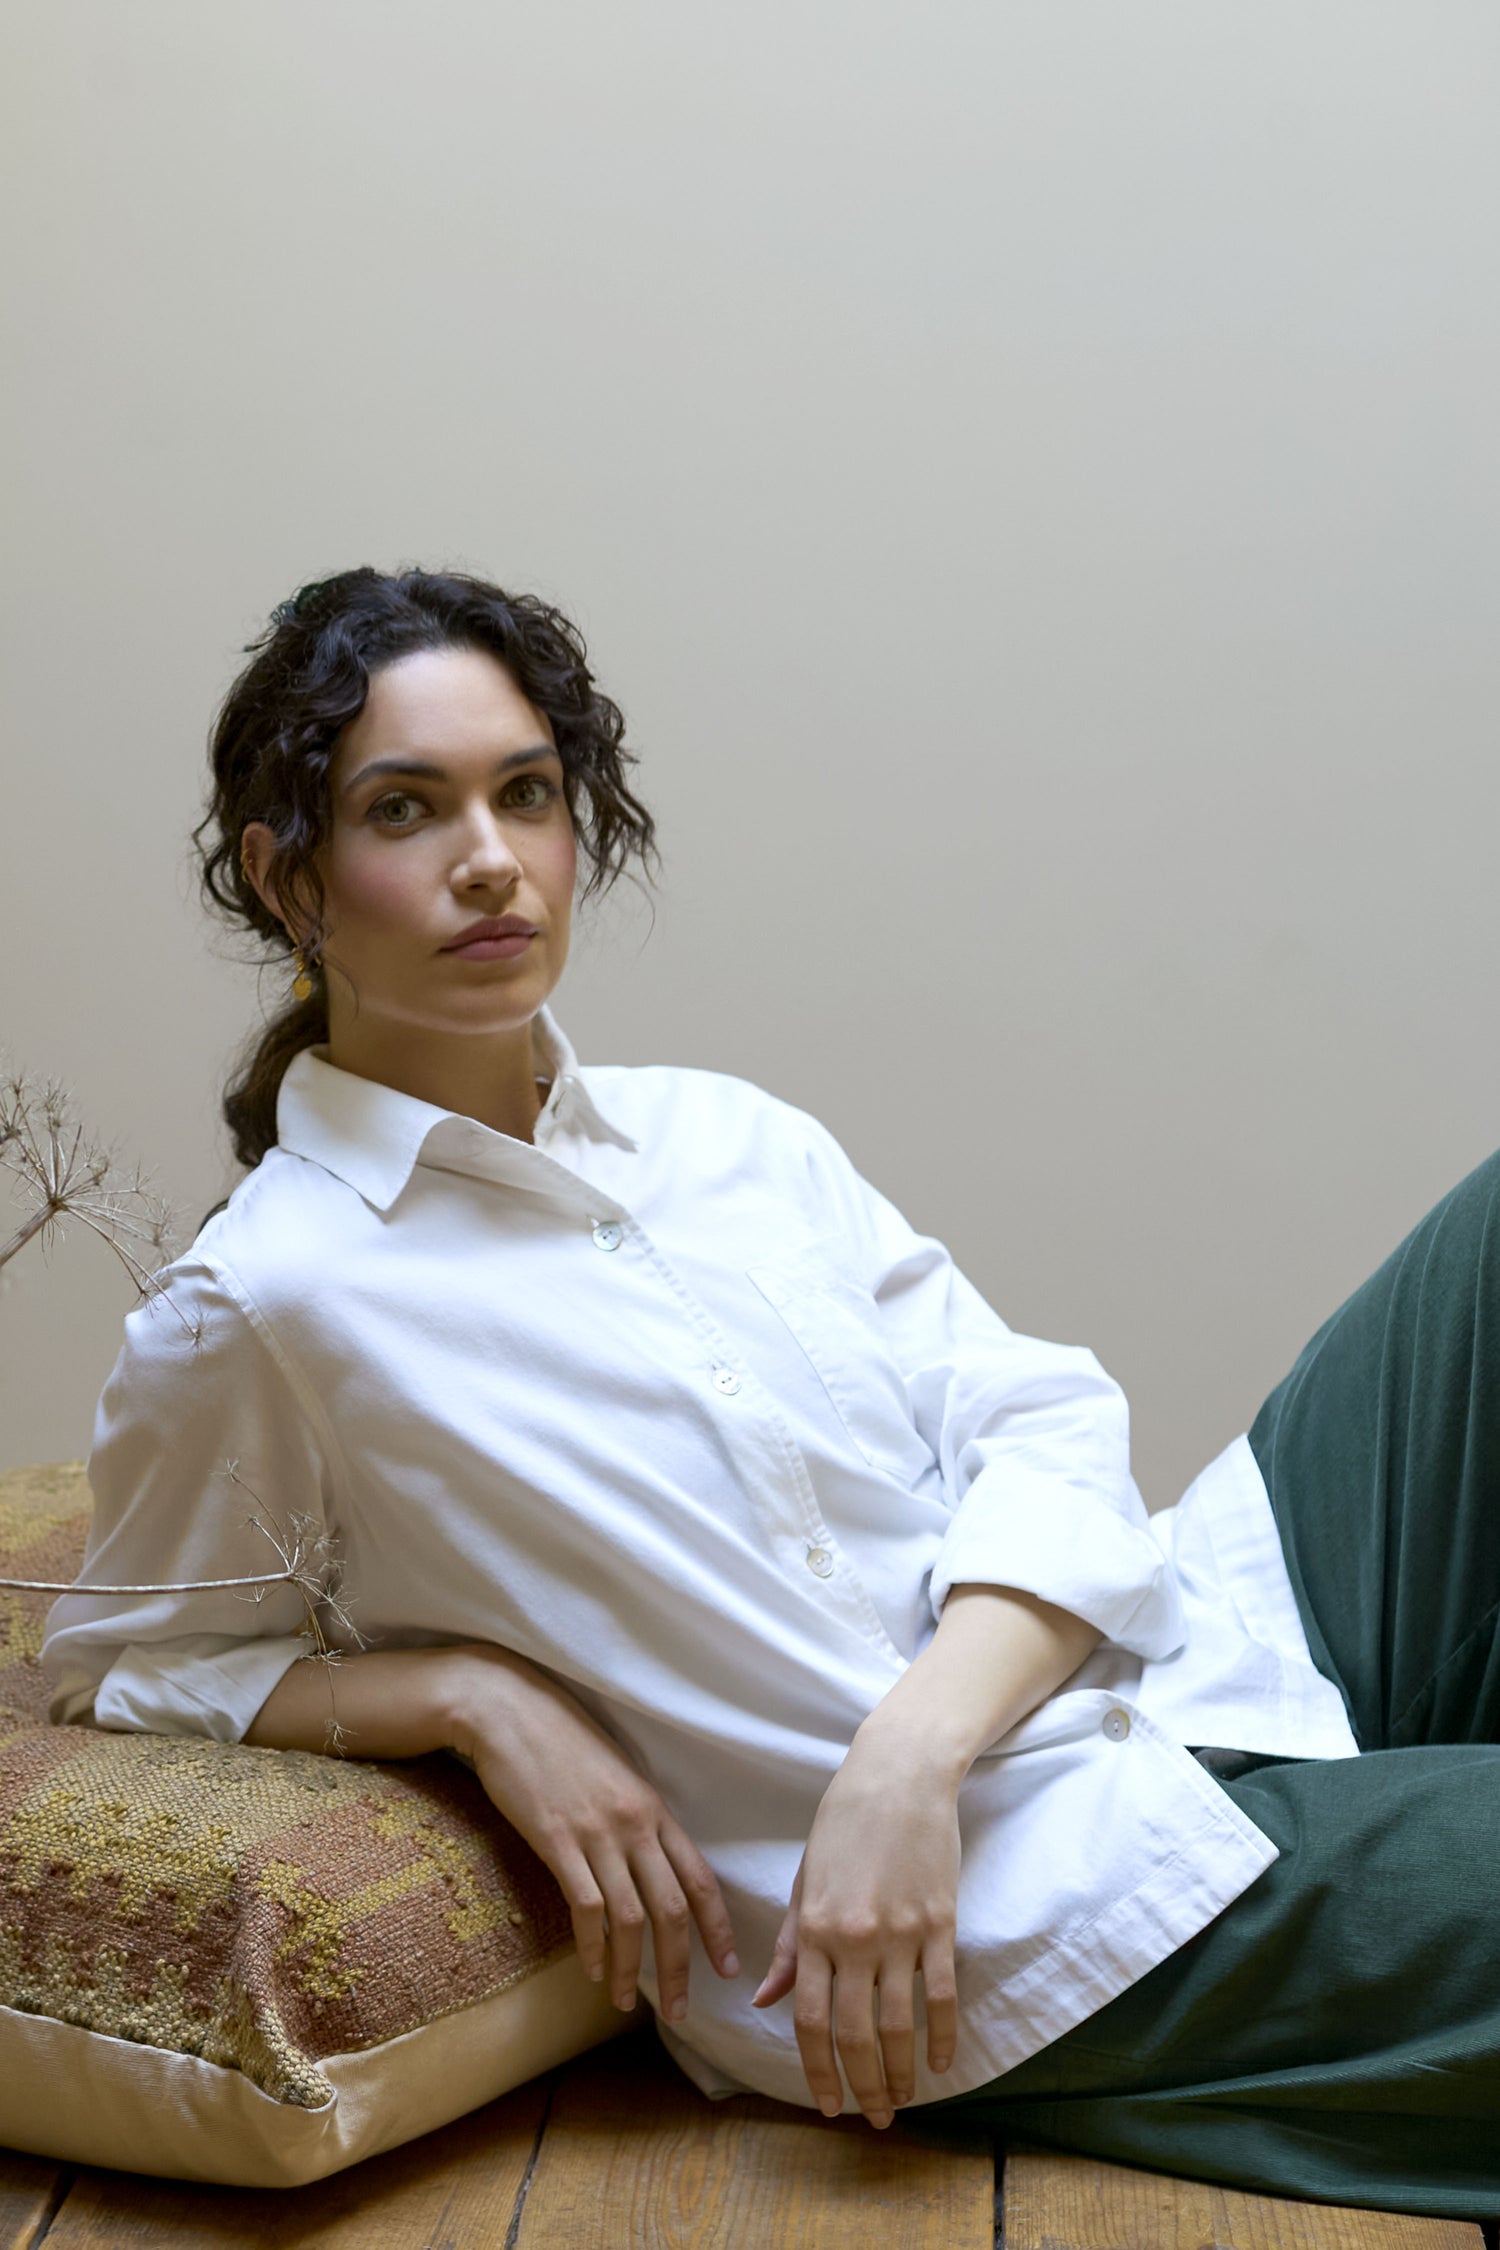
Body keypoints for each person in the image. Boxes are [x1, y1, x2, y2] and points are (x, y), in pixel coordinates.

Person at [40, 568, 1499, 2221]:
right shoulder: (270, 1301)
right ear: (287, 876)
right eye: (405, 808)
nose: (491, 858)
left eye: (527, 793)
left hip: (1167, 1654)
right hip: (1043, 1900)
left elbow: (1040, 1416)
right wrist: (468, 1696)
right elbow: (127, 1666)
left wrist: (910, 1753)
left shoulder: (728, 1136)